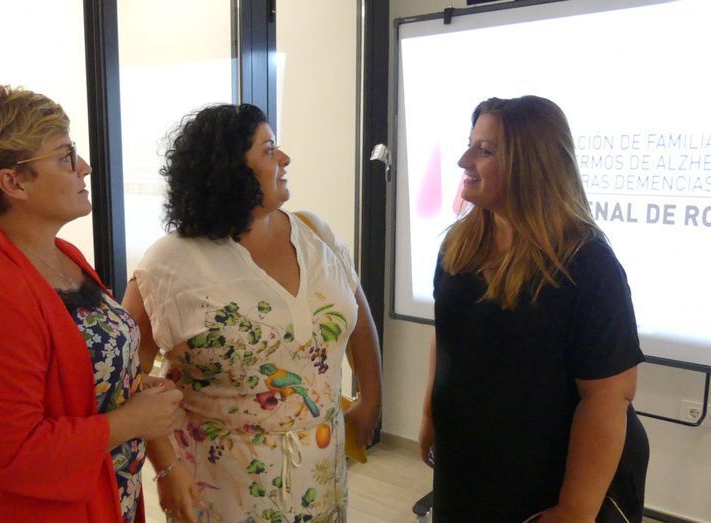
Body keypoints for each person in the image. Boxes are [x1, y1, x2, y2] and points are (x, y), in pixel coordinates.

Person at [122, 103, 383, 522]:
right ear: (229, 169)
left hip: (321, 474)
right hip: (221, 486)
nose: (285, 158)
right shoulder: (168, 264)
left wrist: (371, 399)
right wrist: (167, 467)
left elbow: (359, 319)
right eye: (269, 149)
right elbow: (129, 377)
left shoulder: (315, 233)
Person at [0, 85, 185, 523]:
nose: (84, 167)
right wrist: (133, 421)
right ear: (13, 182)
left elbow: (77, 379)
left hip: (107, 492)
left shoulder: (61, 255)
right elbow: (13, 453)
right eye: (65, 156)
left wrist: (127, 389)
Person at [419, 96, 649, 522]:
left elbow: (606, 398)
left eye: (484, 150)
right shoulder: (458, 246)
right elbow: (447, 336)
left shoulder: (587, 265)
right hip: (466, 465)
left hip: (547, 479)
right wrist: (430, 413)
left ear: (531, 164)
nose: (464, 161)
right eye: (469, 145)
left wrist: (575, 510)